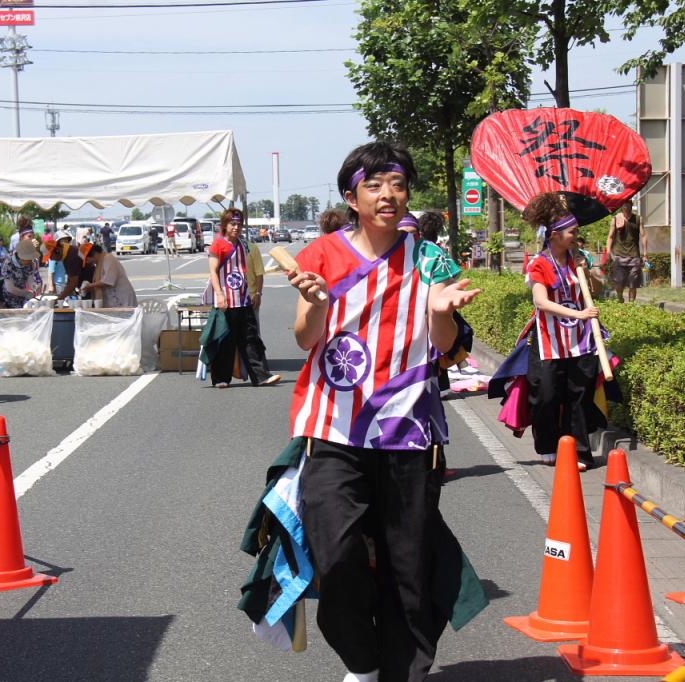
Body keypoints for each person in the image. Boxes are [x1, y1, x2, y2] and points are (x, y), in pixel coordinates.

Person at [283, 142, 481, 681]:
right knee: (337, 554)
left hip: (407, 429)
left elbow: (445, 347)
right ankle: (363, 661)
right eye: (373, 185)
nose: (387, 194)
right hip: (333, 427)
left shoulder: (431, 259)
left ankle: (402, 671)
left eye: (396, 184)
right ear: (352, 198)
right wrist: (317, 306)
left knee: (407, 565)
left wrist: (441, 312)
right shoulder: (322, 255)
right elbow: (304, 339)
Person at [493, 192, 603, 471]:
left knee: (579, 397)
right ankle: (547, 444)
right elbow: (540, 302)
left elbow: (597, 290)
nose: (577, 236)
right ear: (555, 235)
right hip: (548, 342)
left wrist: (588, 272)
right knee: (546, 396)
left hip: (581, 340)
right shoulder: (539, 264)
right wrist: (578, 314)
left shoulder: (579, 259)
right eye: (572, 232)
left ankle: (579, 451)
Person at [206, 208, 280, 388]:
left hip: (243, 298)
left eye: (239, 224)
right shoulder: (218, 245)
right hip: (226, 300)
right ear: (225, 225)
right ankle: (221, 378)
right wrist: (220, 295)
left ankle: (261, 376)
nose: (236, 227)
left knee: (251, 338)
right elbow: (213, 272)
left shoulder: (243, 245)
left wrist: (256, 293)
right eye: (232, 224)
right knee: (225, 340)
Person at [605, 199, 648, 303]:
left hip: (634, 256)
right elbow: (610, 236)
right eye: (624, 205)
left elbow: (644, 236)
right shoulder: (615, 219)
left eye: (628, 204)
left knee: (633, 283)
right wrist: (608, 252)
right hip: (618, 256)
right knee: (619, 282)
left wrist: (645, 254)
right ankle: (620, 298)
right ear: (621, 206)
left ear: (631, 205)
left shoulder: (638, 219)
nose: (626, 207)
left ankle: (631, 304)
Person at [0, 237, 44, 309]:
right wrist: (27, 293)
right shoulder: (8, 263)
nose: (31, 260)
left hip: (21, 298)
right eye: (29, 258)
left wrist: (35, 287)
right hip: (5, 300)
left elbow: (30, 281)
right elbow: (10, 288)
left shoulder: (31, 263)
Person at [47, 229, 85, 300]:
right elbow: (71, 277)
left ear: (57, 250)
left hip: (87, 285)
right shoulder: (66, 255)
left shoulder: (71, 254)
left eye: (51, 257)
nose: (51, 259)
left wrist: (60, 298)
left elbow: (73, 281)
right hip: (81, 285)